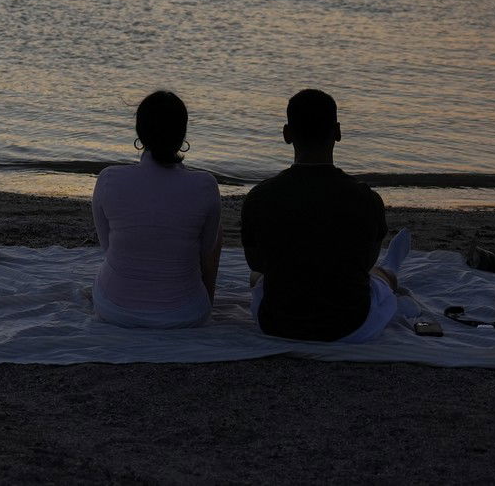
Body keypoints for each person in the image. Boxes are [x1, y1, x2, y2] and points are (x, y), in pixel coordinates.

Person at [241, 89, 398, 342]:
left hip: (278, 323)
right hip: (350, 325)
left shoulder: (260, 197)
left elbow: (256, 263)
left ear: (287, 134)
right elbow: (365, 263)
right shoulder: (366, 199)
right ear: (337, 132)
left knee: (256, 277)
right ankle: (390, 271)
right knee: (381, 276)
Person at [91, 91, 222, 329]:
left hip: (114, 309)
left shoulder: (109, 179)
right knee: (215, 231)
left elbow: (108, 248)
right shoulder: (205, 185)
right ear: (182, 134)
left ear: (140, 133)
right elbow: (204, 253)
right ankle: (206, 298)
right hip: (186, 314)